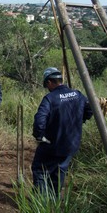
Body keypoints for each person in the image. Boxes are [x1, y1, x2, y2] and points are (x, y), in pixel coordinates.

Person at [31, 67, 93, 196]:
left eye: (46, 85)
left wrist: (40, 136)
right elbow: (90, 109)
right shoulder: (78, 95)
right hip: (71, 144)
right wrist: (79, 121)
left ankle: (41, 203)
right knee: (60, 171)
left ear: (49, 82)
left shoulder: (50, 98)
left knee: (40, 170)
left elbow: (39, 121)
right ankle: (54, 201)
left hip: (52, 144)